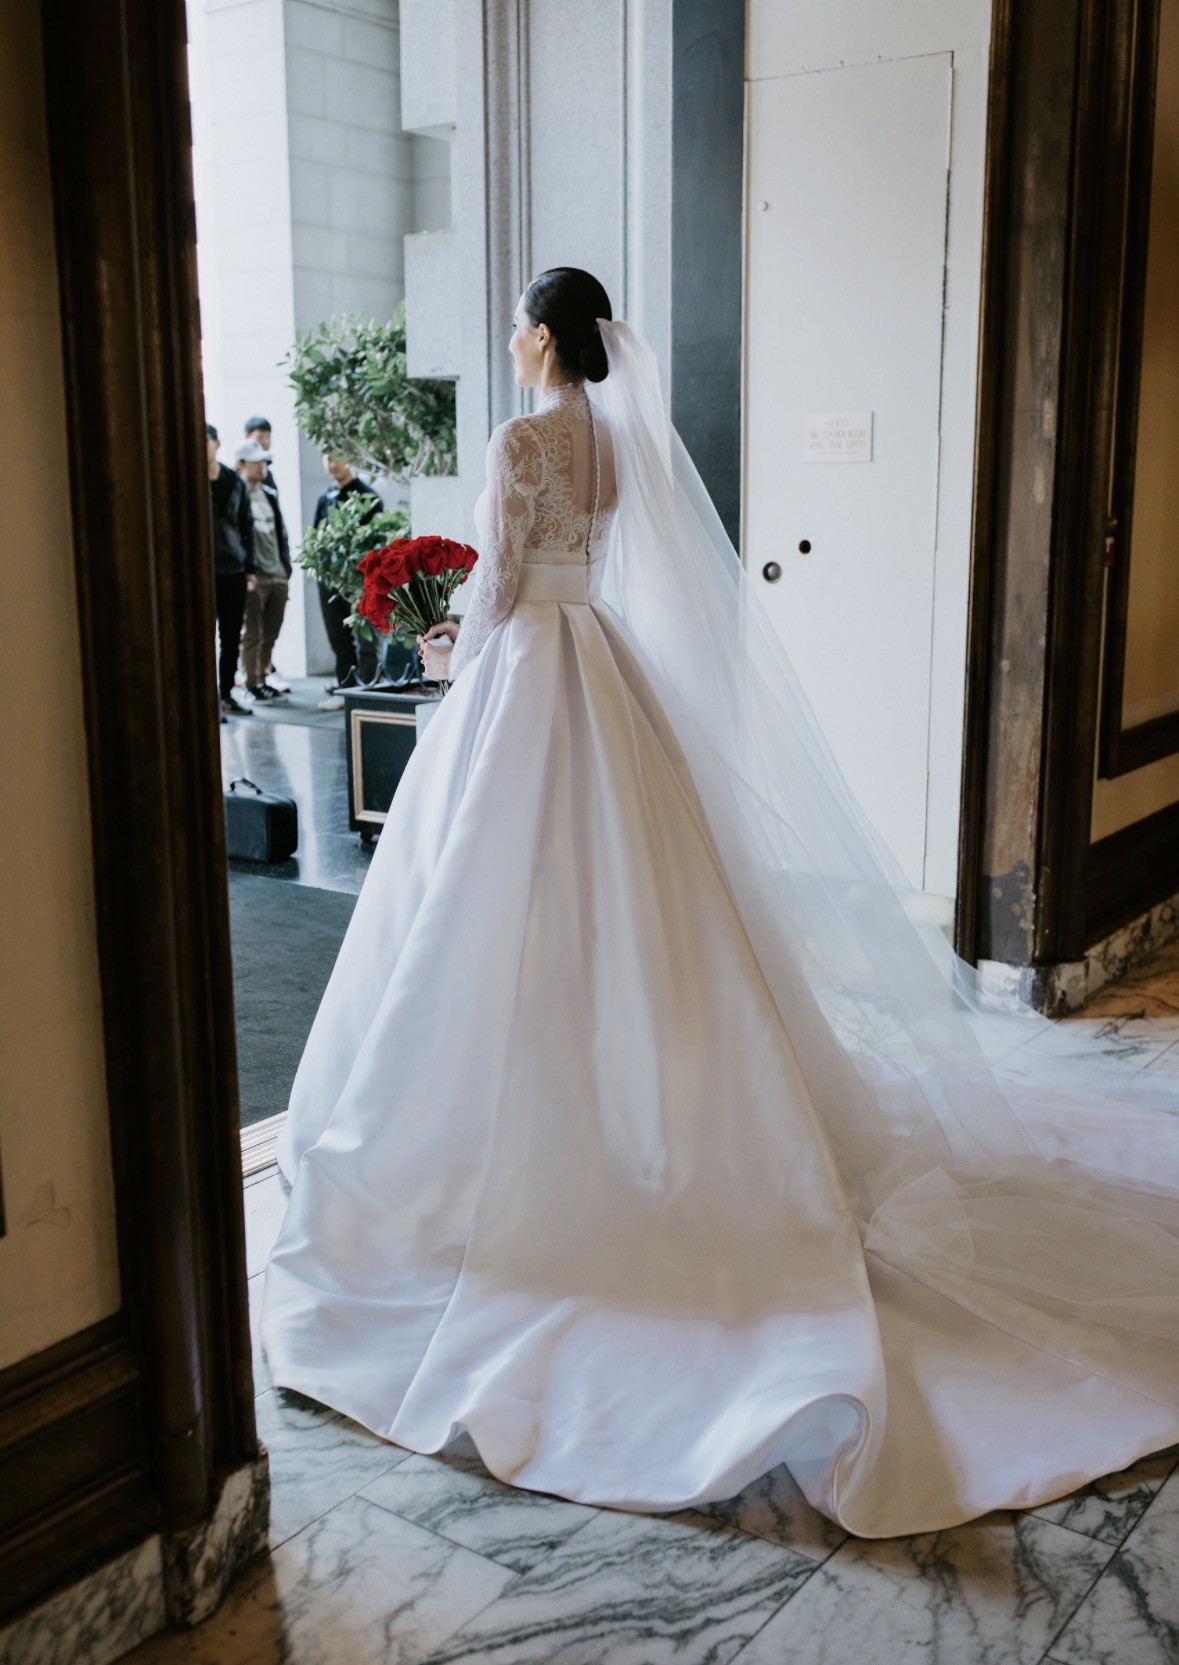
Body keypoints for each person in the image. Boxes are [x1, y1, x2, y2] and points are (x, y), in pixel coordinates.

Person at [262, 268, 1179, 1539]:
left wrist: (450, 652)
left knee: (492, 899)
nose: (514, 342)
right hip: (597, 665)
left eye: (520, 327)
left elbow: (507, 582)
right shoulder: (611, 443)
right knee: (640, 904)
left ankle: (492, 1154)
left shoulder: (523, 439)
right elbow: (584, 562)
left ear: (542, 336)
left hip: (526, 671)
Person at [312, 454, 381, 711]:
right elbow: (316, 537)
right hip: (330, 578)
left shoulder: (367, 495)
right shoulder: (325, 497)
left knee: (366, 639)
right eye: (327, 458)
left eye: (337, 458)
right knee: (338, 637)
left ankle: (370, 691)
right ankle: (346, 689)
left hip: (359, 579)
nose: (332, 465)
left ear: (349, 459)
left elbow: (376, 540)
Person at [236, 438, 291, 703]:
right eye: (255, 462)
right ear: (241, 464)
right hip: (254, 575)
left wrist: (285, 567)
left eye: (263, 462)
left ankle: (262, 677)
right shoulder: (237, 496)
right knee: (252, 632)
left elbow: (281, 533)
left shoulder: (269, 495)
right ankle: (250, 682)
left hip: (276, 572)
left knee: (271, 632)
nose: (261, 467)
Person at [206, 423, 254, 718]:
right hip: (205, 572)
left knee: (231, 636)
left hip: (234, 570)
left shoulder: (234, 481)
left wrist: (250, 568)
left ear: (217, 443)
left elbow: (246, 525)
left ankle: (226, 694)